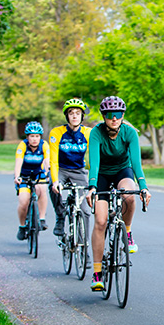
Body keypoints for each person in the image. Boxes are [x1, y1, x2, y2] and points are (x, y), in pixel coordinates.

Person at [85, 96, 151, 292]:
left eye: (118, 115)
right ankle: (97, 273)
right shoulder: (96, 133)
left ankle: (127, 233)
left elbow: (136, 163)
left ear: (123, 116)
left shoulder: (130, 133)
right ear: (104, 116)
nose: (114, 119)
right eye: (110, 115)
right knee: (100, 221)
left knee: (129, 196)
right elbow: (94, 163)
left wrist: (144, 186)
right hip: (102, 174)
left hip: (123, 171)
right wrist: (92, 186)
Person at [49, 98, 92, 264]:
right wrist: (55, 181)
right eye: (71, 113)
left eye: (78, 114)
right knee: (52, 186)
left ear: (82, 117)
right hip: (61, 169)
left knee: (85, 210)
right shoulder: (57, 132)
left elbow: (94, 156)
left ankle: (85, 248)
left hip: (79, 171)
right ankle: (60, 217)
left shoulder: (88, 133)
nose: (74, 116)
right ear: (67, 116)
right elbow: (53, 160)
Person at [14, 121, 51, 241]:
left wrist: (47, 173)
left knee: (42, 189)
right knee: (24, 201)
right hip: (24, 175)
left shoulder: (44, 145)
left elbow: (46, 161)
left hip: (38, 174)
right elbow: (18, 162)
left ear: (40, 137)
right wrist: (17, 176)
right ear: (27, 137)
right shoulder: (22, 145)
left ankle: (41, 219)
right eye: (32, 136)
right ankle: (22, 226)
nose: (34, 139)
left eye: (37, 136)